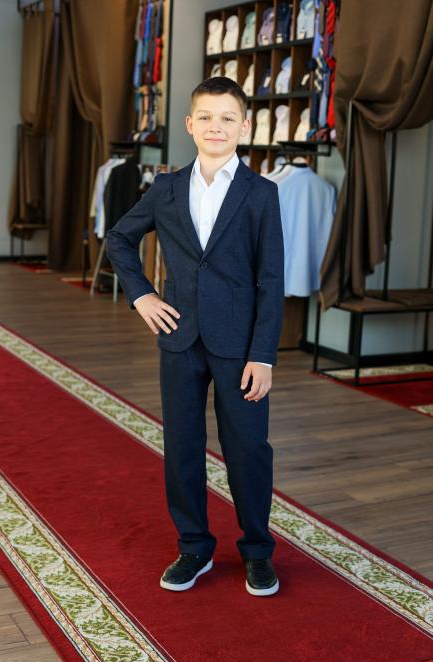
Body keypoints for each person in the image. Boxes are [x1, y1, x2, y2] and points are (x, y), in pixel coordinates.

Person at [106, 77, 285, 597]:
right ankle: (194, 547)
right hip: (179, 338)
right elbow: (119, 238)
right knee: (182, 446)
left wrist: (264, 355)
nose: (215, 126)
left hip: (241, 347)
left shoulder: (262, 194)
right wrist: (142, 296)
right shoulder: (165, 188)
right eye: (206, 116)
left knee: (248, 449)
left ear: (244, 127)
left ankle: (257, 551)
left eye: (228, 118)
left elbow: (272, 279)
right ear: (189, 124)